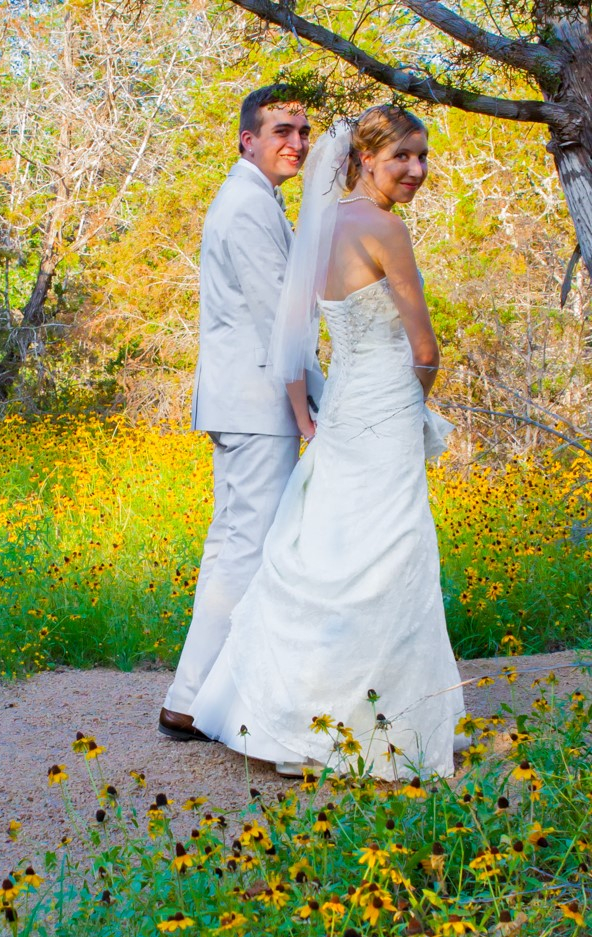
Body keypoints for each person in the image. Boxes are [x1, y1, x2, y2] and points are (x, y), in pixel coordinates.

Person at [188, 105, 464, 779]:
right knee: (391, 553)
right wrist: (413, 401)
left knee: (325, 552)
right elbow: (425, 350)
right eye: (402, 156)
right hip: (383, 406)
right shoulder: (386, 229)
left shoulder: (320, 224)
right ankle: (381, 726)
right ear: (365, 158)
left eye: (422, 157)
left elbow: (290, 333)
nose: (416, 170)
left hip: (341, 410)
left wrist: (306, 412)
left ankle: (291, 717)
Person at [159, 84, 323, 743]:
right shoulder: (249, 206)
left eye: (304, 132)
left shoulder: (254, 198)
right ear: (247, 139)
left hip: (243, 402)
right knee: (245, 551)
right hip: (258, 406)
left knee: (232, 546)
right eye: (283, 130)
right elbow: (281, 322)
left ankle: (200, 694)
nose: (298, 143)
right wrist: (318, 405)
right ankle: (189, 700)